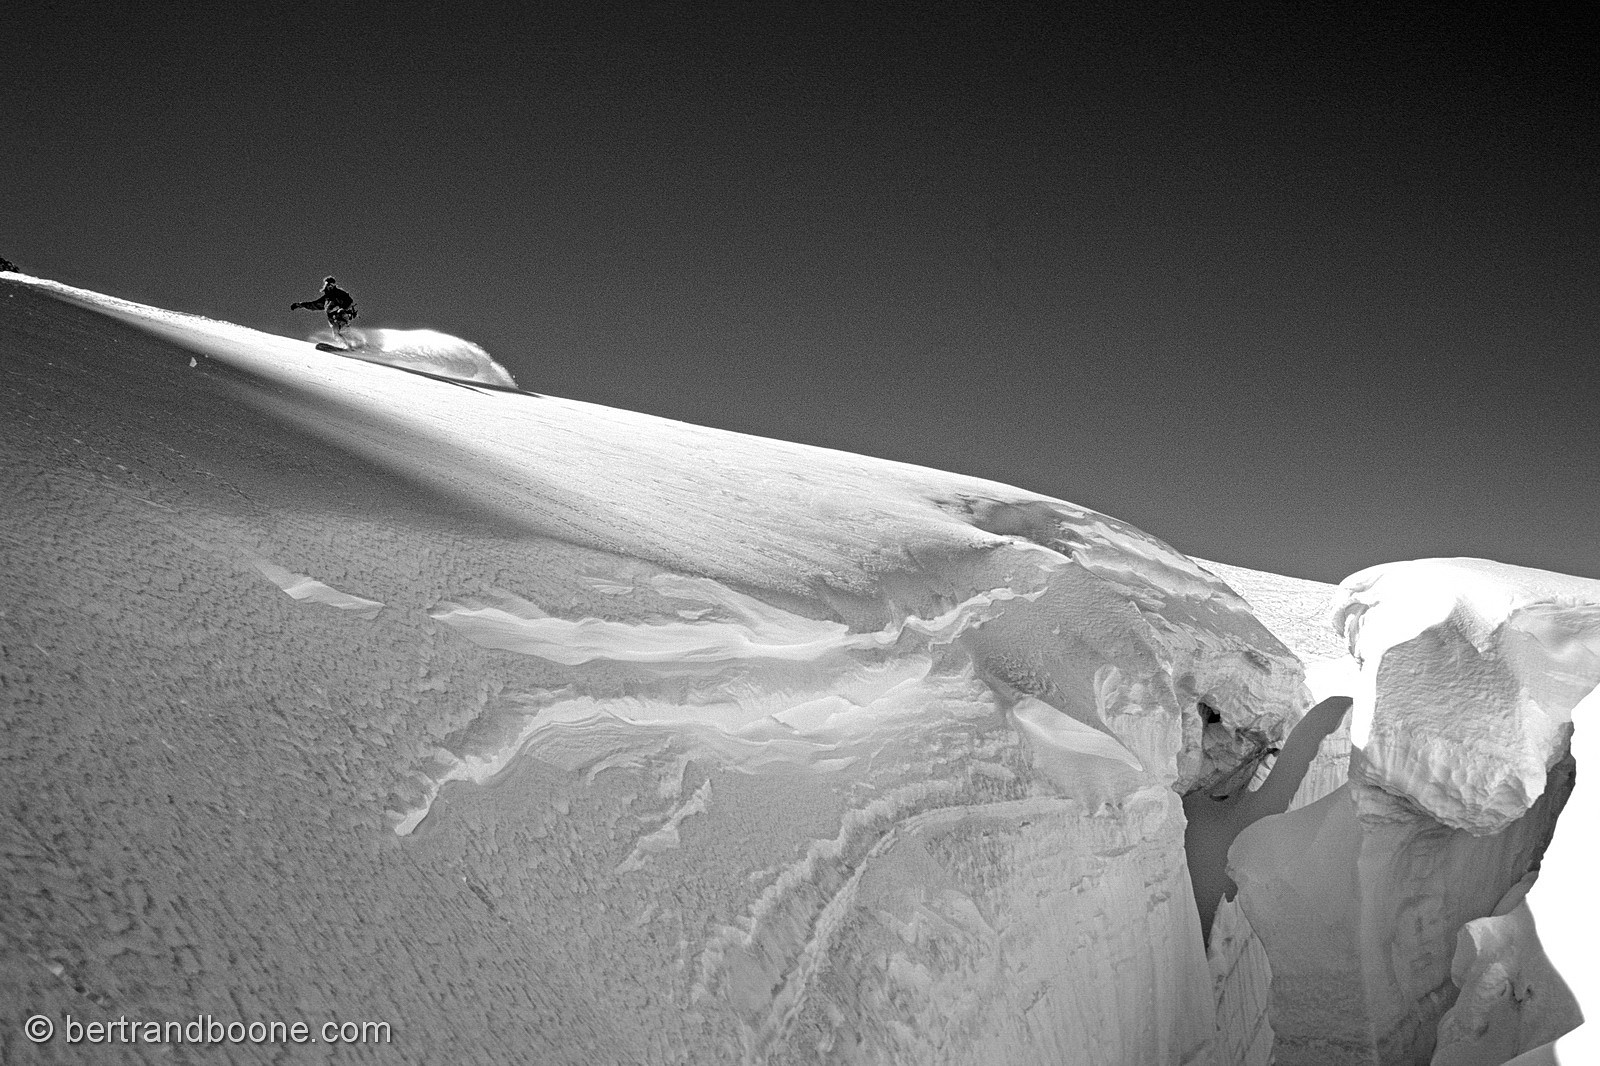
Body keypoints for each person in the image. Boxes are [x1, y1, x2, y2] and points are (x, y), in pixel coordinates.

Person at [290, 276, 359, 336]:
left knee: (338, 330)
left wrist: (342, 308)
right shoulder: (326, 299)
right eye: (328, 285)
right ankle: (349, 345)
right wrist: (299, 304)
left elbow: (349, 301)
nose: (330, 287)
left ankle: (351, 344)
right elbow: (314, 305)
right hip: (333, 318)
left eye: (332, 285)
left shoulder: (339, 293)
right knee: (336, 333)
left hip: (342, 315)